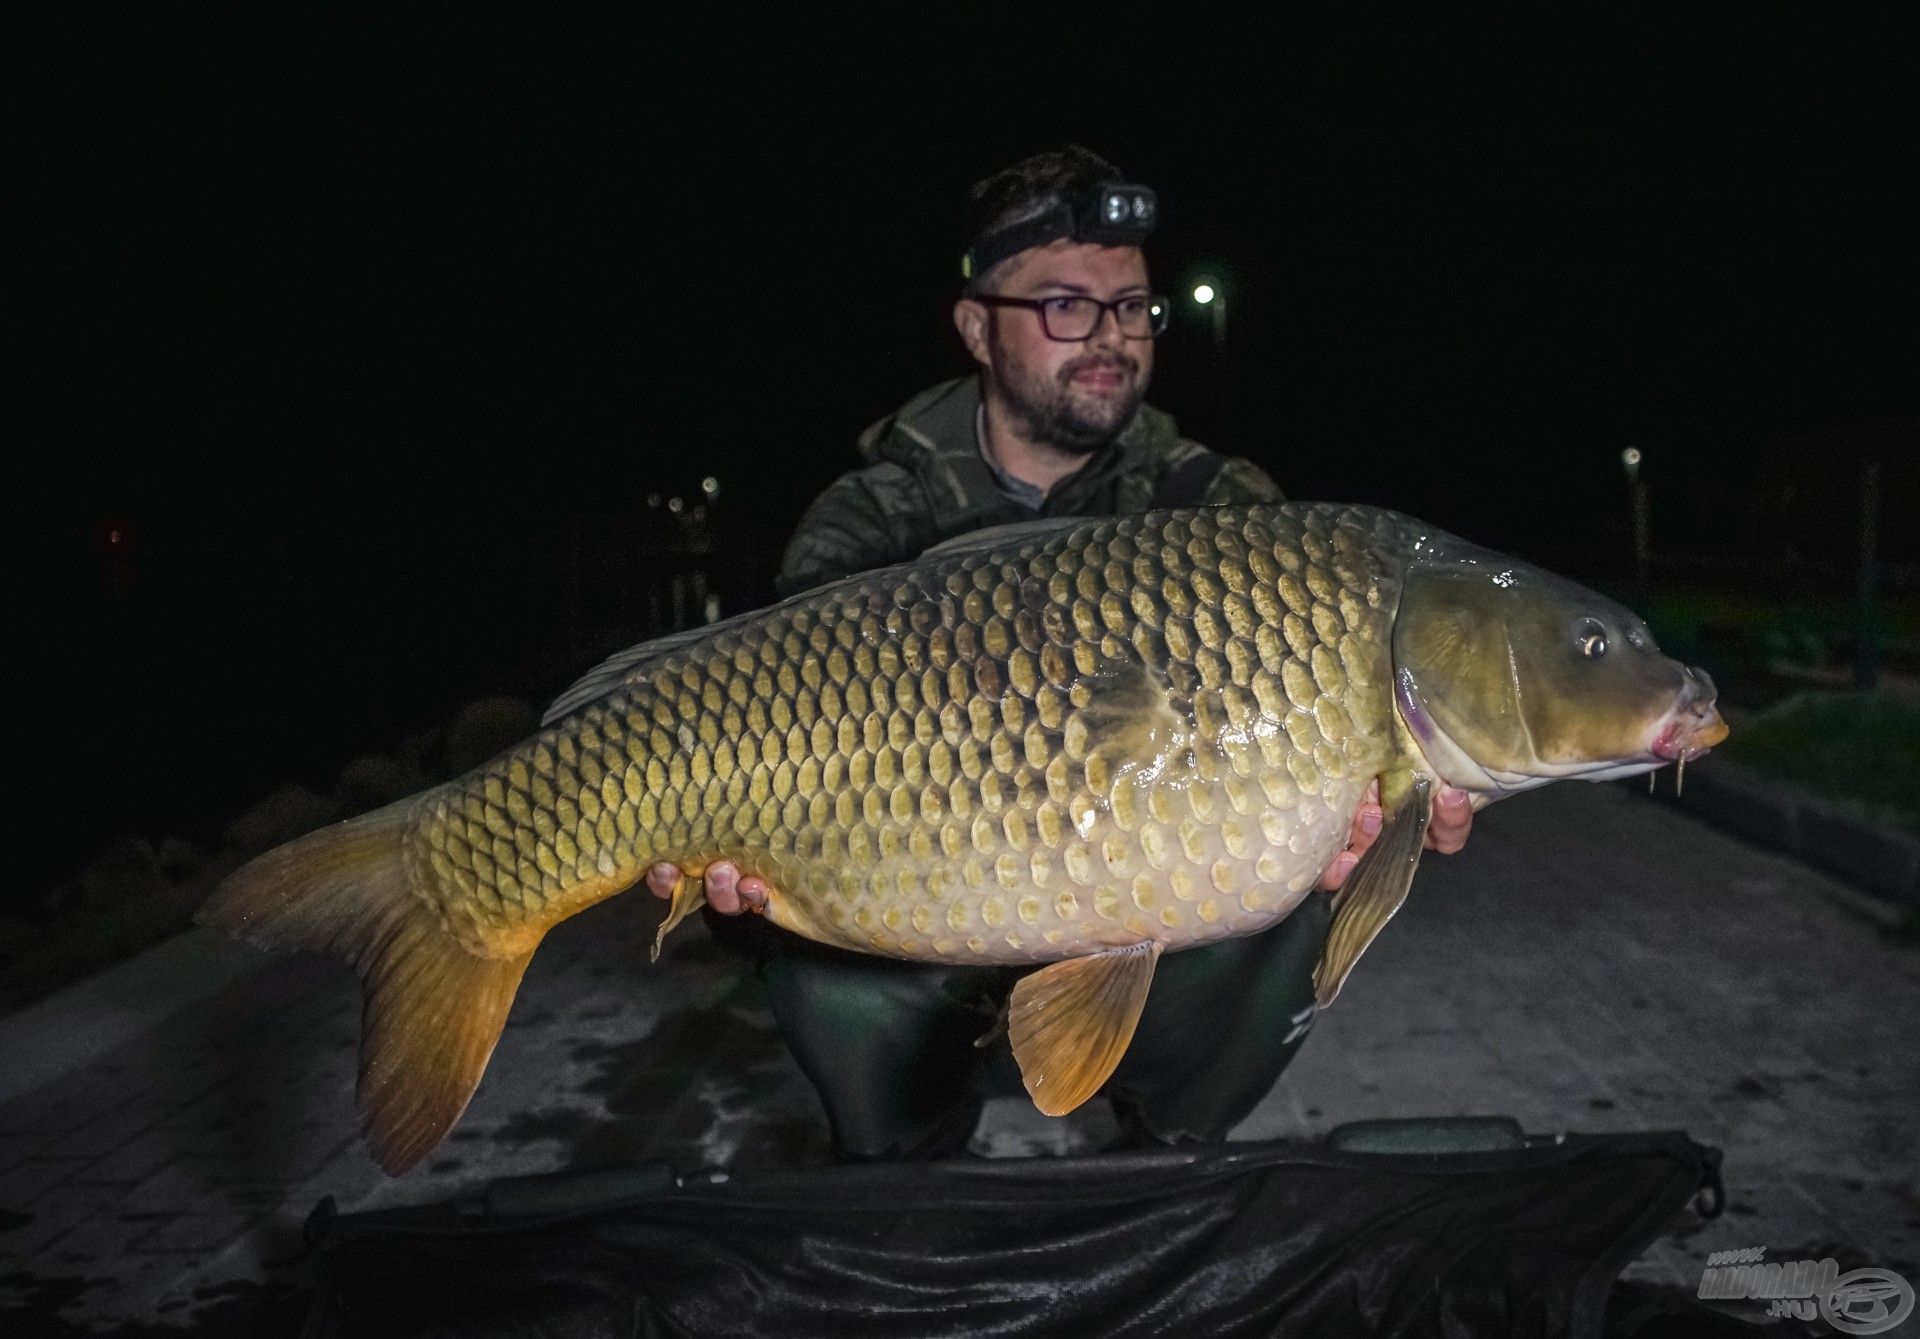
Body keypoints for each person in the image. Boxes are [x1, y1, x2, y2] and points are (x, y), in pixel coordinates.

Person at [645, 147, 1472, 1159]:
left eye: (1131, 308)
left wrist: (1378, 803)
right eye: (1067, 308)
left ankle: (1161, 1147)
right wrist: (731, 889)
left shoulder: (1218, 508)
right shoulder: (870, 518)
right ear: (977, 326)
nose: (1112, 339)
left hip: (1149, 922)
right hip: (919, 908)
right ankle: (910, 1156)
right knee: (806, 948)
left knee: (1296, 897)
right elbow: (770, 746)